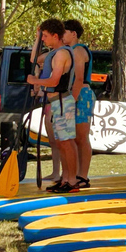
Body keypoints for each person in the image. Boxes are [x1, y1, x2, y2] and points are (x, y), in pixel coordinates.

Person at [27, 19, 80, 193]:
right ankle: (65, 179)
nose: (43, 40)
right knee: (61, 143)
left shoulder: (62, 54)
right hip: (56, 102)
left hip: (63, 102)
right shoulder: (54, 52)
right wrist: (36, 37)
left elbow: (54, 80)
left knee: (66, 142)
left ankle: (72, 181)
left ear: (55, 36)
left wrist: (35, 81)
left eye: (45, 36)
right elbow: (33, 59)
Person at [63, 19, 95, 188]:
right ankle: (74, 174)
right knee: (73, 137)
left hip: (81, 94)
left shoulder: (78, 50)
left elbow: (79, 78)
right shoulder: (68, 50)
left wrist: (71, 101)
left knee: (81, 137)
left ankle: (83, 175)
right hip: (75, 94)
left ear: (73, 34)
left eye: (64, 32)